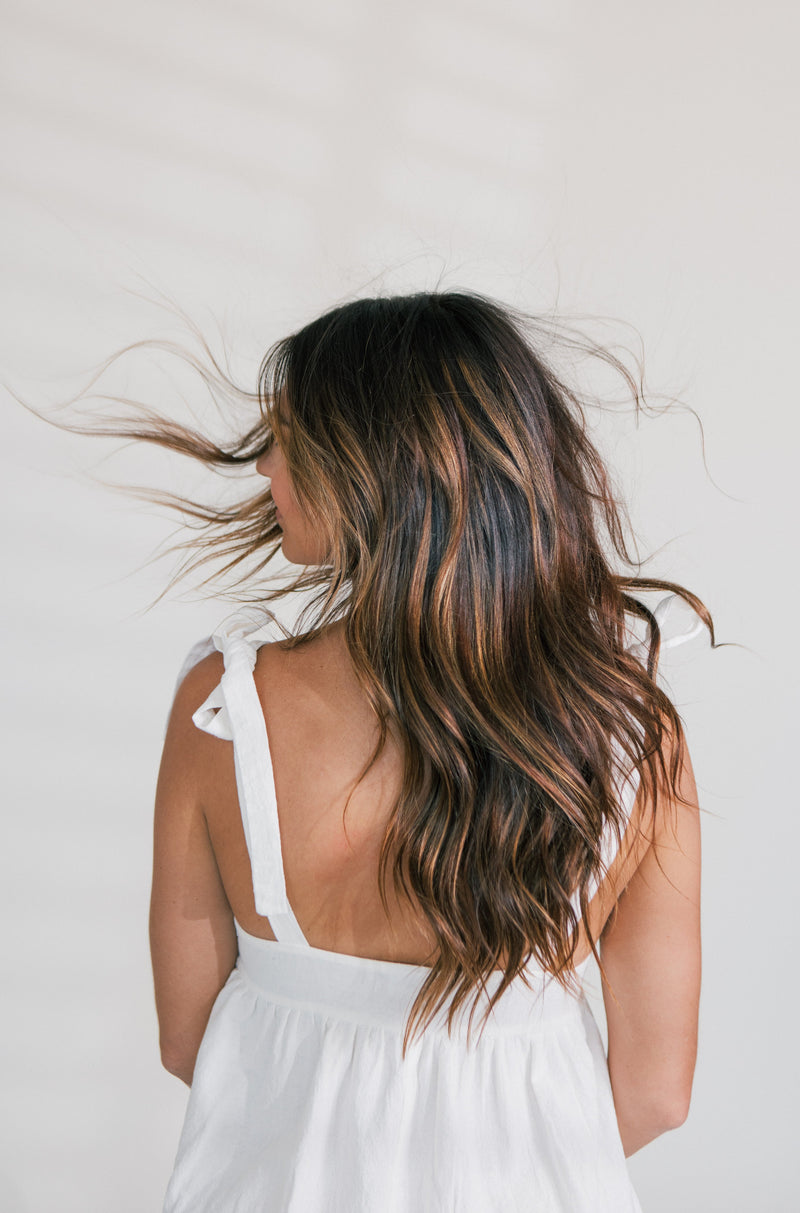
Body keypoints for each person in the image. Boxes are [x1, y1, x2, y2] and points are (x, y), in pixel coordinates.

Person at [147, 290, 711, 1211]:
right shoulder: (633, 737)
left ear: (370, 463)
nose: (267, 472)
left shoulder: (224, 709)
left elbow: (187, 1039)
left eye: (286, 439)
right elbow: (656, 1091)